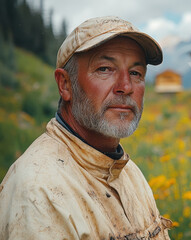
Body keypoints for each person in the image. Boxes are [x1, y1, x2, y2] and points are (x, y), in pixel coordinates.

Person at [0, 16, 172, 239]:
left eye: (135, 73)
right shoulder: (38, 191)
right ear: (65, 84)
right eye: (104, 69)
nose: (126, 86)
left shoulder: (128, 171)